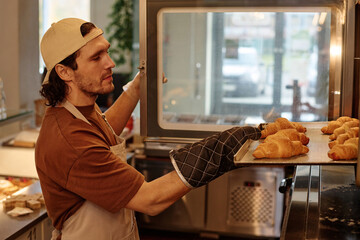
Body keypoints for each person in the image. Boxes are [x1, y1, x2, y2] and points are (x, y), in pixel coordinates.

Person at [35, 18, 261, 240]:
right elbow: (150, 200)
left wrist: (135, 89)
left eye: (106, 52)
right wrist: (220, 151)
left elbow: (103, 131)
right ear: (64, 72)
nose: (110, 63)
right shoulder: (70, 141)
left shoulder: (77, 110)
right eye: (96, 57)